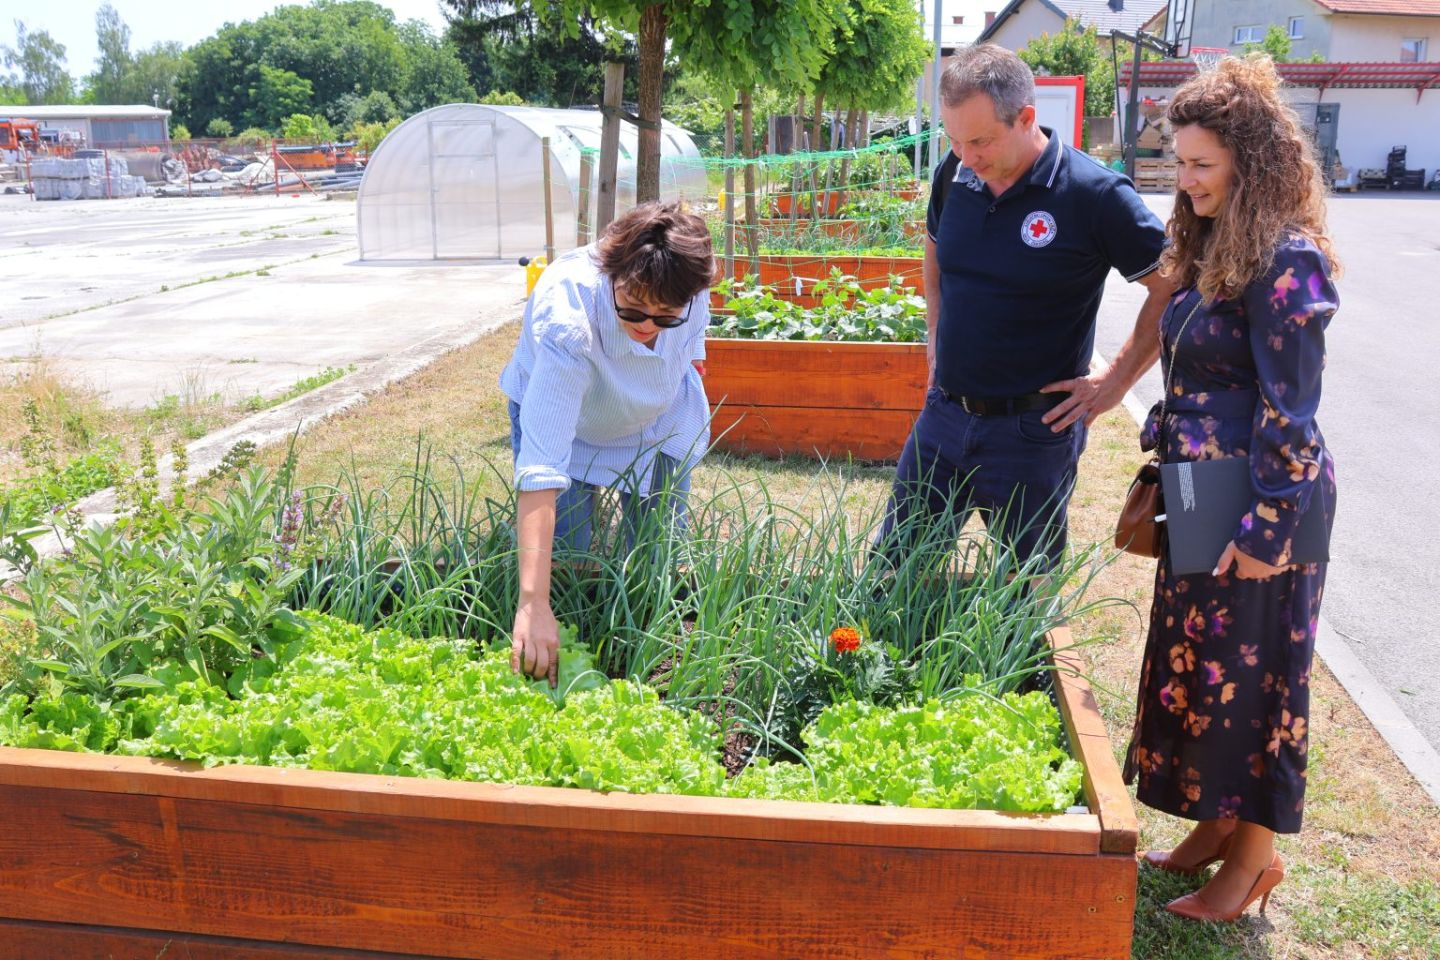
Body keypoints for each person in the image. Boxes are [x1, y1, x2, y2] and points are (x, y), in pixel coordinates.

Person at [1122, 55, 1340, 923]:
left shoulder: (1289, 260)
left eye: (1202, 165)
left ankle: (1253, 862)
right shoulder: (1219, 244)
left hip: (1259, 503)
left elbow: (1293, 410)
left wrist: (1267, 526)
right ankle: (1216, 827)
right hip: (1203, 492)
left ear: (1252, 162)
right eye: (1179, 162)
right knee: (1208, 672)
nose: (1185, 179)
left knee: (1258, 685)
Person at [879, 44, 1175, 567]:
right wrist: (934, 332)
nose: (967, 156)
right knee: (892, 572)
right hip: (944, 415)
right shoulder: (955, 173)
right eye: (954, 139)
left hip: (1034, 432)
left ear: (1027, 118)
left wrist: (1115, 382)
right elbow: (935, 249)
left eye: (980, 140)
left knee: (1021, 594)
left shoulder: (1095, 195)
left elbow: (1172, 286)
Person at [500, 201, 714, 687]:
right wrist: (532, 604)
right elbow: (541, 468)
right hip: (572, 427)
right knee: (570, 556)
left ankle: (643, 649)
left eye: (666, 317)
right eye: (634, 310)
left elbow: (692, 354)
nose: (647, 327)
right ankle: (567, 643)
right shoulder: (569, 318)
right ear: (611, 274)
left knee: (655, 557)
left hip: (657, 422)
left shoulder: (689, 285)